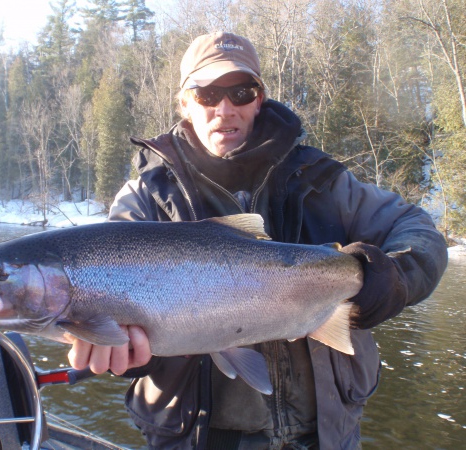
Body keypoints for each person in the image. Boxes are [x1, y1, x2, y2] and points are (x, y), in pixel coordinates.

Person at [65, 31, 448, 449]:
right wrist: (126, 356)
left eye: (241, 92)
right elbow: (113, 318)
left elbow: (418, 229)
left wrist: (392, 278)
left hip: (326, 434)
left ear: (259, 99)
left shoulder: (320, 180)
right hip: (195, 437)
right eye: (207, 94)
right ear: (184, 104)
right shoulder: (146, 198)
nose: (224, 109)